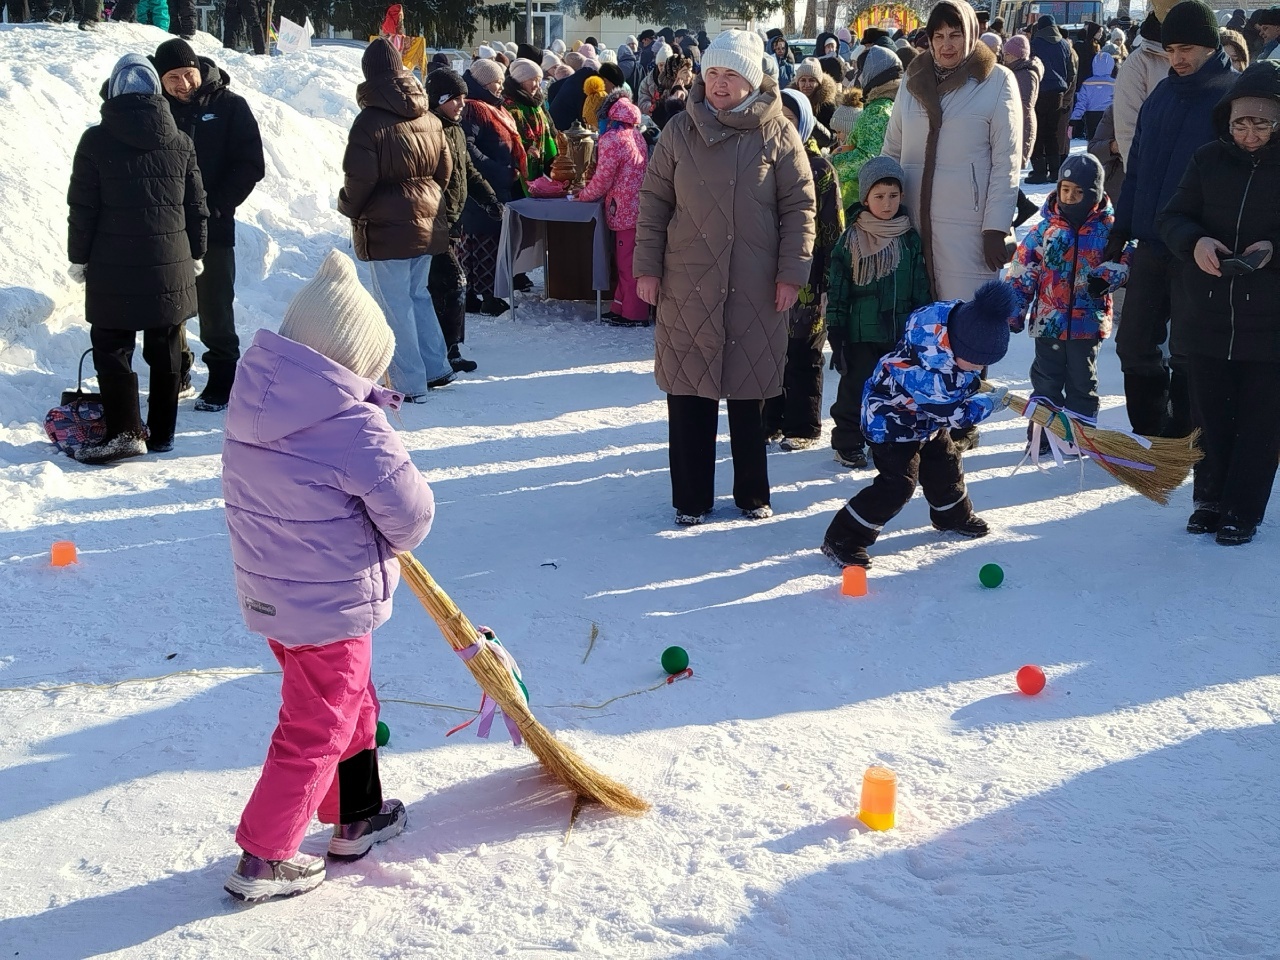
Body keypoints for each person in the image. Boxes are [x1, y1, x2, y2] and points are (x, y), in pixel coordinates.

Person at [220, 250, 434, 903]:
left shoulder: (253, 405)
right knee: (317, 726)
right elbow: (411, 516)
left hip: (274, 597)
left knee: (351, 704)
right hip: (330, 604)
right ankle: (264, 857)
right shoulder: (353, 426)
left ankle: (356, 815)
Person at [634, 29, 816, 526]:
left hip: (755, 285)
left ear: (751, 80)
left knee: (748, 392)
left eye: (730, 74)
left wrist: (791, 273)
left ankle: (752, 493)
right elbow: (653, 203)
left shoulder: (778, 133)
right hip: (686, 281)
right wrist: (646, 267)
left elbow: (799, 208)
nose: (718, 82)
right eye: (712, 72)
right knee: (688, 392)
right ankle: (691, 499)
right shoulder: (679, 130)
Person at [881, 0, 1021, 450]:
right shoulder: (913, 80)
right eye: (938, 36)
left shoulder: (996, 81)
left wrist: (996, 225)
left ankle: (962, 421)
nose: (946, 44)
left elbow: (1007, 161)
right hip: (913, 222)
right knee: (923, 324)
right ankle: (922, 412)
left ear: (971, 34)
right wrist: (881, 203)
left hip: (969, 225)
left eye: (955, 34)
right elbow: (892, 147)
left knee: (967, 324)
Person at [1157, 60, 1280, 545]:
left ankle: (1242, 509)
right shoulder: (1207, 159)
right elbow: (1172, 218)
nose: (1249, 135)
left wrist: (1273, 251)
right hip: (1207, 311)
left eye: (1261, 125)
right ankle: (1208, 499)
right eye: (1240, 123)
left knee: (1260, 420)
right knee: (1209, 412)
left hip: (1269, 319)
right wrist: (1196, 243)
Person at [67, 55, 207, 465]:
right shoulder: (180, 141)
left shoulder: (95, 141)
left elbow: (83, 208)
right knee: (166, 343)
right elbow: (197, 205)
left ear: (113, 91)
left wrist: (78, 258)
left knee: (112, 344)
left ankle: (125, 432)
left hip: (113, 264)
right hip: (171, 262)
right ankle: (162, 433)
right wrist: (197, 252)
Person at [1105, 0, 1235, 437]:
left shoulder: (1230, 99)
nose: (1176, 58)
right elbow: (1137, 170)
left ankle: (1184, 441)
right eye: (1171, 49)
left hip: (1201, 246)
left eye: (1186, 49)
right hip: (1151, 242)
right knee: (1133, 344)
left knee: (1188, 351)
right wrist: (1121, 229)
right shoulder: (1160, 95)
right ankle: (1150, 436)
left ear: (1211, 46)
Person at [819, 280, 1016, 568]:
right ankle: (842, 538)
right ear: (957, 347)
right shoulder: (932, 374)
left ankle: (951, 515)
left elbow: (953, 386)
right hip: (890, 422)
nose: (978, 370)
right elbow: (955, 415)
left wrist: (968, 379)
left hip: (924, 419)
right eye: (974, 363)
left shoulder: (953, 320)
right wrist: (988, 404)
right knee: (898, 485)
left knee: (945, 464)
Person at [153, 38, 265, 412]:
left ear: (199, 69)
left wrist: (215, 205)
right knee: (168, 306)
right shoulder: (154, 110)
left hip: (213, 225)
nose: (183, 84)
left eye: (188, 74)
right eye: (172, 78)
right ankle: (178, 370)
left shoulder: (230, 106)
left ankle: (222, 377)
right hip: (165, 227)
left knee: (215, 305)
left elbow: (250, 163)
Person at [339, 39, 454, 400]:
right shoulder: (429, 115)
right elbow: (445, 170)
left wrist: (348, 206)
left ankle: (408, 382)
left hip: (387, 225)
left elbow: (359, 178)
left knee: (395, 303)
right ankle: (436, 366)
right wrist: (427, 200)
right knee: (418, 294)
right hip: (426, 219)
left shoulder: (368, 122)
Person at [1007, 154, 1129, 453]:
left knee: (1082, 381)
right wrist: (1013, 310)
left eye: (1079, 191)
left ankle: (1078, 436)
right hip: (1049, 321)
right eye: (1065, 189)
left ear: (1095, 194)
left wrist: (1109, 276)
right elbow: (1022, 271)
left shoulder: (1109, 230)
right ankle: (1043, 434)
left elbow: (1128, 257)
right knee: (1045, 380)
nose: (1070, 197)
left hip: (1087, 323)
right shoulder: (1045, 230)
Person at [825, 156, 930, 469]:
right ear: (865, 198)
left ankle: (884, 440)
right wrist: (836, 330)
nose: (887, 204)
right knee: (855, 389)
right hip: (861, 333)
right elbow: (838, 289)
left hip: (898, 333)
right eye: (879, 196)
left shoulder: (909, 238)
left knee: (894, 391)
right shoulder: (851, 240)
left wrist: (921, 327)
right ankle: (847, 442)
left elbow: (920, 286)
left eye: (893, 196)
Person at [765, 88, 844, 450]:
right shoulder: (762, 160)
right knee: (768, 351)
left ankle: (803, 426)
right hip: (766, 273)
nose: (783, 126)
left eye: (790, 120)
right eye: (776, 119)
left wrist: (829, 281)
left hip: (809, 277)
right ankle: (769, 420)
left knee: (804, 353)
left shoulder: (820, 168)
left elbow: (833, 229)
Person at [425, 69, 499, 374]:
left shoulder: (455, 130)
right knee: (451, 283)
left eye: (463, 97)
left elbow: (468, 170)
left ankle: (449, 349)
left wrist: (489, 199)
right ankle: (445, 351)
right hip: (432, 222)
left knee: (446, 287)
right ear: (437, 99)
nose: (461, 104)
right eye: (453, 98)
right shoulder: (428, 129)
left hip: (453, 221)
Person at [575, 92, 649, 326]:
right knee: (628, 261)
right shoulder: (636, 135)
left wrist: (583, 195)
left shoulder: (612, 138)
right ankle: (621, 306)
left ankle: (634, 313)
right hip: (639, 206)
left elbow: (603, 179)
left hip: (623, 209)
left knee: (626, 264)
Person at [460, 59, 524, 317]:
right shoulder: (473, 109)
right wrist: (498, 170)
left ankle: (473, 296)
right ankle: (487, 297)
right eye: (497, 82)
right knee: (483, 244)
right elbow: (468, 148)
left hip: (495, 185)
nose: (501, 87)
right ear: (484, 83)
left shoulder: (491, 107)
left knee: (483, 243)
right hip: (483, 188)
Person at [832, 45, 901, 213]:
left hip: (863, 202)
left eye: (861, 70)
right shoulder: (892, 104)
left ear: (873, 73)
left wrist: (832, 164)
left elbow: (867, 158)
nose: (859, 76)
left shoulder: (877, 111)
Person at [1112, 0, 1177, 164]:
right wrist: (1141, 174)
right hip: (1158, 170)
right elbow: (1128, 131)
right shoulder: (1138, 63)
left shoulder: (1208, 55)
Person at [1028, 14, 1078, 182]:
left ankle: (1039, 172)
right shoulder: (1065, 45)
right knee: (1052, 133)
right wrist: (1065, 86)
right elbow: (1072, 72)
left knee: (1037, 132)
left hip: (1039, 93)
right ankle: (1055, 171)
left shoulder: (1035, 44)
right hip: (1058, 94)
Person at [1004, 34, 1043, 224]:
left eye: (1007, 54)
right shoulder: (1017, 71)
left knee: (1007, 172)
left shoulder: (1026, 74)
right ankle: (1023, 205)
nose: (1004, 57)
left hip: (1021, 126)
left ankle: (1023, 206)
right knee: (1006, 172)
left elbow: (1024, 106)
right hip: (1017, 124)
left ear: (1016, 55)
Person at [504, 59, 557, 185]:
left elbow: (547, 132)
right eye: (533, 80)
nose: (537, 85)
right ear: (520, 80)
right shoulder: (508, 105)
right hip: (517, 171)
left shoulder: (536, 103)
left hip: (539, 164)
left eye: (539, 81)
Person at [792, 58, 838, 147]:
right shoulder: (791, 101)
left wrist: (813, 124)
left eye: (812, 80)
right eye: (803, 80)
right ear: (797, 83)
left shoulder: (827, 105)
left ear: (819, 83)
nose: (807, 85)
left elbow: (834, 138)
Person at [1072, 51, 1117, 140]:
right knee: (1108, 139)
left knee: (1093, 140)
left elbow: (1081, 102)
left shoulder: (1087, 83)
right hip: (1109, 114)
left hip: (1091, 116)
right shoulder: (1114, 83)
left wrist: (1075, 117)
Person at [1088, 104, 1126, 204]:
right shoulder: (1115, 110)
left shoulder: (1162, 108)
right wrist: (1113, 146)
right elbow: (1093, 150)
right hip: (1118, 184)